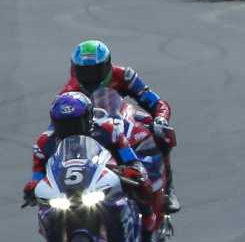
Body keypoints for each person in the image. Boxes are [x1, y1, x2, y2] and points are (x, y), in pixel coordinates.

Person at [22, 91, 164, 242]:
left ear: (88, 118)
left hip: (104, 179)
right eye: (64, 124)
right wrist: (32, 186)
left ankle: (149, 239)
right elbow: (38, 172)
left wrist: (133, 170)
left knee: (142, 188)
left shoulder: (108, 130)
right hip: (65, 188)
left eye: (75, 123)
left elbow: (129, 157)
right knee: (45, 214)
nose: (70, 129)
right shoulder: (44, 142)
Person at [60, 39, 179, 210]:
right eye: (84, 72)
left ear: (107, 66)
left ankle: (167, 190)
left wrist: (160, 118)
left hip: (123, 117)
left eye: (95, 71)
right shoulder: (69, 92)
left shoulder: (124, 75)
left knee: (161, 132)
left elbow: (156, 102)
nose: (90, 77)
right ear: (74, 70)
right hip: (92, 128)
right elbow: (58, 122)